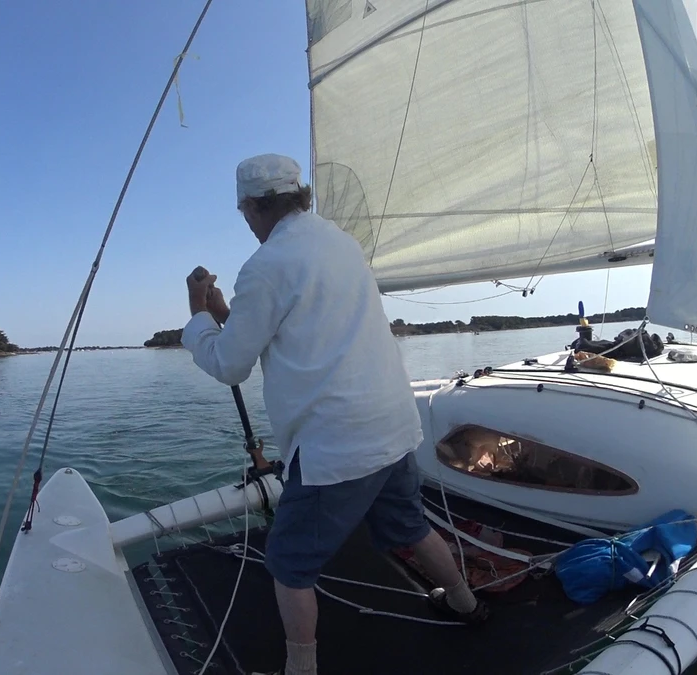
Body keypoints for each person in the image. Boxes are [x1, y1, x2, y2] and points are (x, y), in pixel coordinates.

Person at [181, 154, 488, 675]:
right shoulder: (340, 243)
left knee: (289, 564)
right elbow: (288, 328)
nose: (248, 223)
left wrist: (197, 314)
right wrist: (223, 315)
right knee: (410, 525)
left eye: (244, 213)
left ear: (254, 206)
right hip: (392, 424)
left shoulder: (266, 265)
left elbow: (230, 364)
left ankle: (300, 670)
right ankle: (466, 605)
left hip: (337, 445)